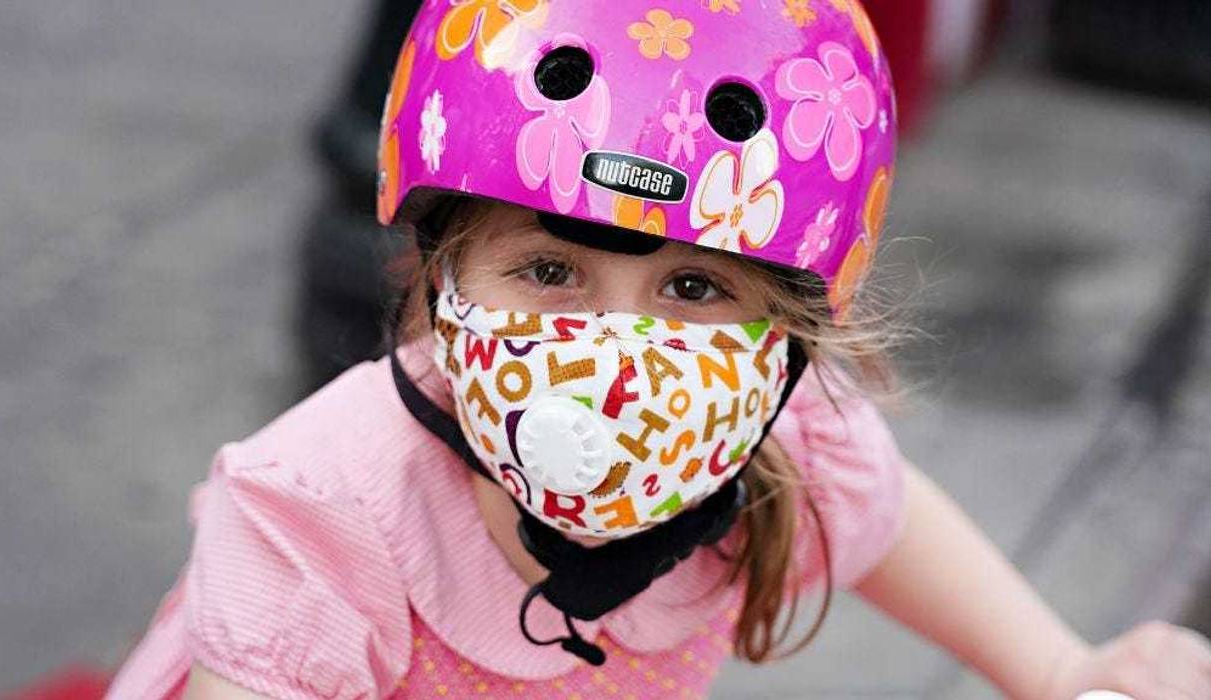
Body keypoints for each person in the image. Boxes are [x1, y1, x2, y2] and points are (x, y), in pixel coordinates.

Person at [106, 2, 1211, 698]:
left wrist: (1061, 665)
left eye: (692, 288)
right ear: (440, 277)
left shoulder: (778, 441)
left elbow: (889, 518)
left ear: (788, 336)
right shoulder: (316, 520)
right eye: (549, 272)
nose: (614, 360)